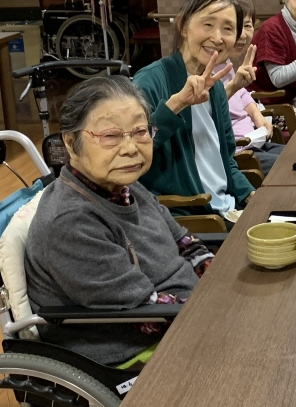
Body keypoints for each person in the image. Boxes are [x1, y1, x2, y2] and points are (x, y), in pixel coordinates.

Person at [24, 76, 213, 367]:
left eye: (140, 131)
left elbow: (184, 242)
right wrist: (216, 309)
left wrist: (216, 277)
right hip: (131, 352)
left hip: (181, 314)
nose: (130, 148)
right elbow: (143, 314)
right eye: (111, 136)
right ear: (71, 143)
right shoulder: (70, 222)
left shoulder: (126, 185)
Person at [133, 0, 254, 219]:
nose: (217, 37)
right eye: (207, 25)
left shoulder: (216, 87)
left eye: (228, 28)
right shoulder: (150, 81)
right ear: (183, 26)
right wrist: (176, 105)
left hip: (225, 209)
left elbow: (227, 161)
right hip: (189, 216)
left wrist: (250, 195)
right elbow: (132, 151)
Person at [216, 0, 283, 174]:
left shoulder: (226, 62)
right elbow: (208, 107)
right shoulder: (207, 69)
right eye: (234, 26)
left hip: (254, 142)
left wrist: (257, 116)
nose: (242, 34)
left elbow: (242, 94)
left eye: (248, 25)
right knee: (292, 167)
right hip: (238, 153)